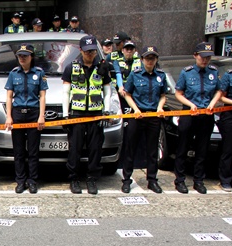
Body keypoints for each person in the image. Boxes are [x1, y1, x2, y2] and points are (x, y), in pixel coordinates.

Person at [61, 35, 112, 195]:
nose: (90, 54)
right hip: (76, 114)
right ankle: (74, 179)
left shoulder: (102, 67)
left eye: (92, 51)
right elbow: (65, 92)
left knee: (95, 149)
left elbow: (108, 91)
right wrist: (65, 115)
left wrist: (107, 112)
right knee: (75, 149)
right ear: (81, 50)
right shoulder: (71, 67)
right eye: (87, 51)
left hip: (96, 114)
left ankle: (91, 179)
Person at [173, 42, 222, 194]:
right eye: (202, 57)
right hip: (189, 113)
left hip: (206, 115)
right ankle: (180, 180)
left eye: (208, 57)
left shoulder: (213, 72)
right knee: (183, 148)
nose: (205, 60)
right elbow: (178, 93)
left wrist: (213, 104)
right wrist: (190, 104)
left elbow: (219, 91)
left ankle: (198, 180)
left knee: (202, 149)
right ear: (195, 56)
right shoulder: (186, 73)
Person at [121, 46, 167, 194]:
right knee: (131, 148)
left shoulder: (161, 75)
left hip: (153, 116)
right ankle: (126, 179)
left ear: (156, 60)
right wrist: (135, 109)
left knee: (152, 149)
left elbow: (163, 95)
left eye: (153, 58)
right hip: (137, 115)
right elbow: (127, 94)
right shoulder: (135, 75)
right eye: (147, 58)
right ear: (142, 60)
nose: (150, 61)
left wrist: (160, 107)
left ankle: (152, 180)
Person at [4, 43, 48, 194]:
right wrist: (8, 116)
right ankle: (20, 181)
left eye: (25, 55)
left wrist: (42, 116)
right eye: (20, 56)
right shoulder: (13, 73)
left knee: (33, 151)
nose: (22, 58)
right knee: (19, 151)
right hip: (17, 114)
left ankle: (33, 180)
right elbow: (9, 97)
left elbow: (42, 97)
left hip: (33, 113)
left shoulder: (39, 73)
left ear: (31, 57)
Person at [217, 60, 232, 191]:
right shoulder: (229, 75)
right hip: (230, 114)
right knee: (228, 149)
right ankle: (225, 180)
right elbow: (221, 97)